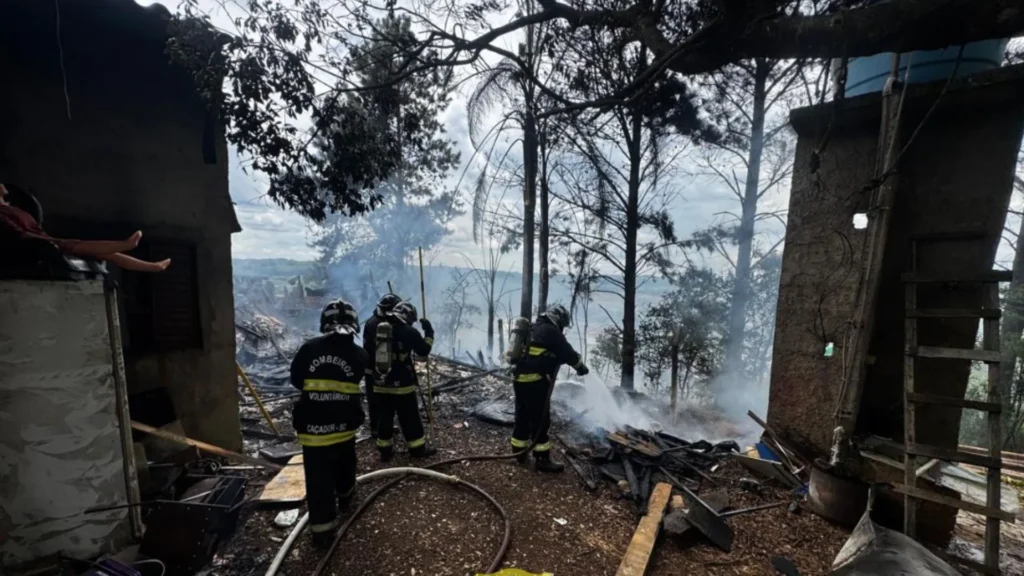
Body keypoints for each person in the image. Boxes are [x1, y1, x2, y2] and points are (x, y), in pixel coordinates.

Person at [289, 299, 367, 548]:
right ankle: (346, 498)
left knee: (318, 480)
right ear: (354, 324)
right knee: (346, 465)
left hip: (313, 431)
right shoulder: (359, 354)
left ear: (324, 322)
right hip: (344, 427)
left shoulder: (309, 349)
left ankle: (322, 532)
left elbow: (296, 380)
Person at [0, 183, 171, 272]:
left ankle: (154, 266)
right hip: (35, 245)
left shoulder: (13, 206)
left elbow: (33, 226)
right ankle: (127, 245)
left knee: (108, 254)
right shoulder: (2, 213)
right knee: (75, 245)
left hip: (43, 239)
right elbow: (20, 235)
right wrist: (49, 241)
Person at [510, 304, 589, 473]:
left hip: (519, 380)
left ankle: (518, 453)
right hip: (535, 383)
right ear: (557, 319)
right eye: (562, 324)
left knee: (522, 416)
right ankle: (542, 459)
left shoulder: (533, 327)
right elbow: (568, 353)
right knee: (540, 421)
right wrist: (581, 367)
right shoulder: (550, 331)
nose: (562, 328)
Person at [375, 301, 438, 461]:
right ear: (408, 316)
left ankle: (385, 451)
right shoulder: (409, 331)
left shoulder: (381, 328)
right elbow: (423, 351)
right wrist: (429, 332)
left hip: (381, 382)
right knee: (410, 417)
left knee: (385, 417)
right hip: (402, 383)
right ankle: (417, 449)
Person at [362, 293, 402, 439]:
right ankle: (376, 428)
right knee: (376, 399)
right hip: (374, 368)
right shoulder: (378, 325)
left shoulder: (375, 321)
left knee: (382, 400)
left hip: (375, 367)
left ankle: (383, 426)